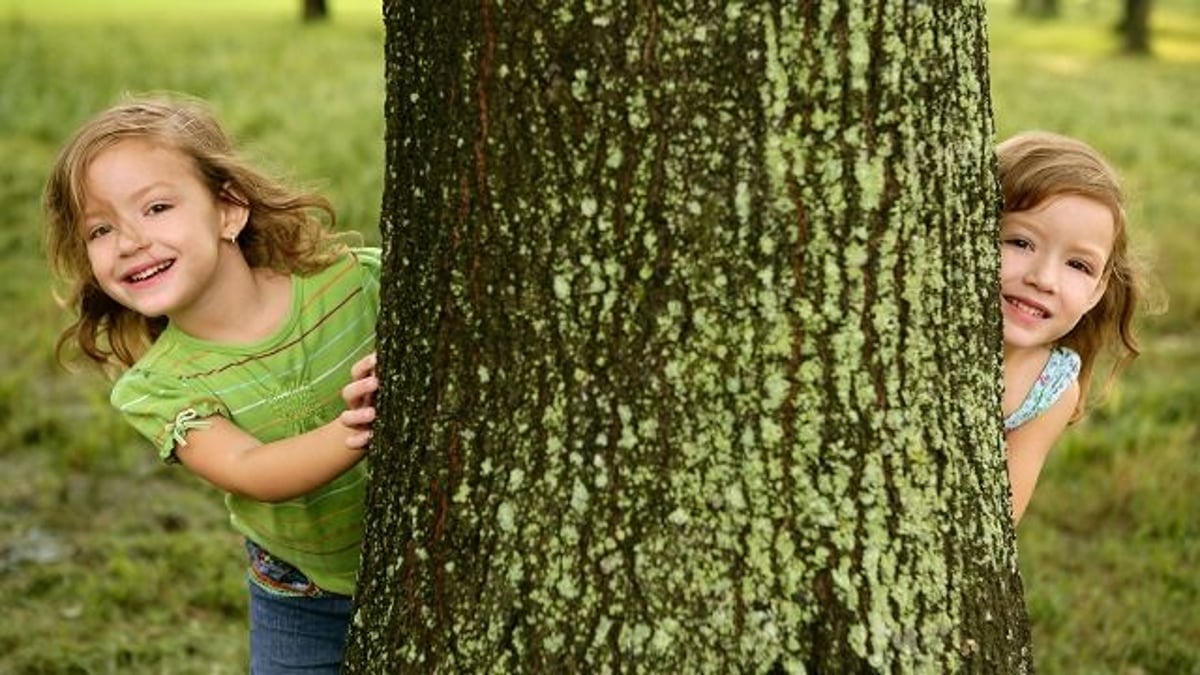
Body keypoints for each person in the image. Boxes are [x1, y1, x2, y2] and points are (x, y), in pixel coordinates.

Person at [44, 93, 381, 672]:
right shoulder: (159, 386)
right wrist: (356, 431)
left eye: (155, 208)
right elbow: (249, 469)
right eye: (100, 229)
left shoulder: (352, 283)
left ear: (228, 210)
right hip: (303, 595)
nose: (129, 241)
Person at [996, 131, 1144, 525]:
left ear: (1097, 291)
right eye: (1020, 242)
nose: (1044, 279)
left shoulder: (1052, 386)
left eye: (1078, 265)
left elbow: (1000, 515)